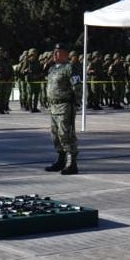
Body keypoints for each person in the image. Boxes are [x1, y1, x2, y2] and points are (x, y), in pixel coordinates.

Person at [44, 43, 81, 175]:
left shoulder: (70, 68)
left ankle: (72, 163)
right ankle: (60, 160)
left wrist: (76, 102)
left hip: (65, 106)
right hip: (53, 106)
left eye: (58, 52)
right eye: (54, 52)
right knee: (55, 135)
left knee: (65, 134)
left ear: (65, 54)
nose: (54, 54)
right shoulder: (52, 68)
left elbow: (77, 86)